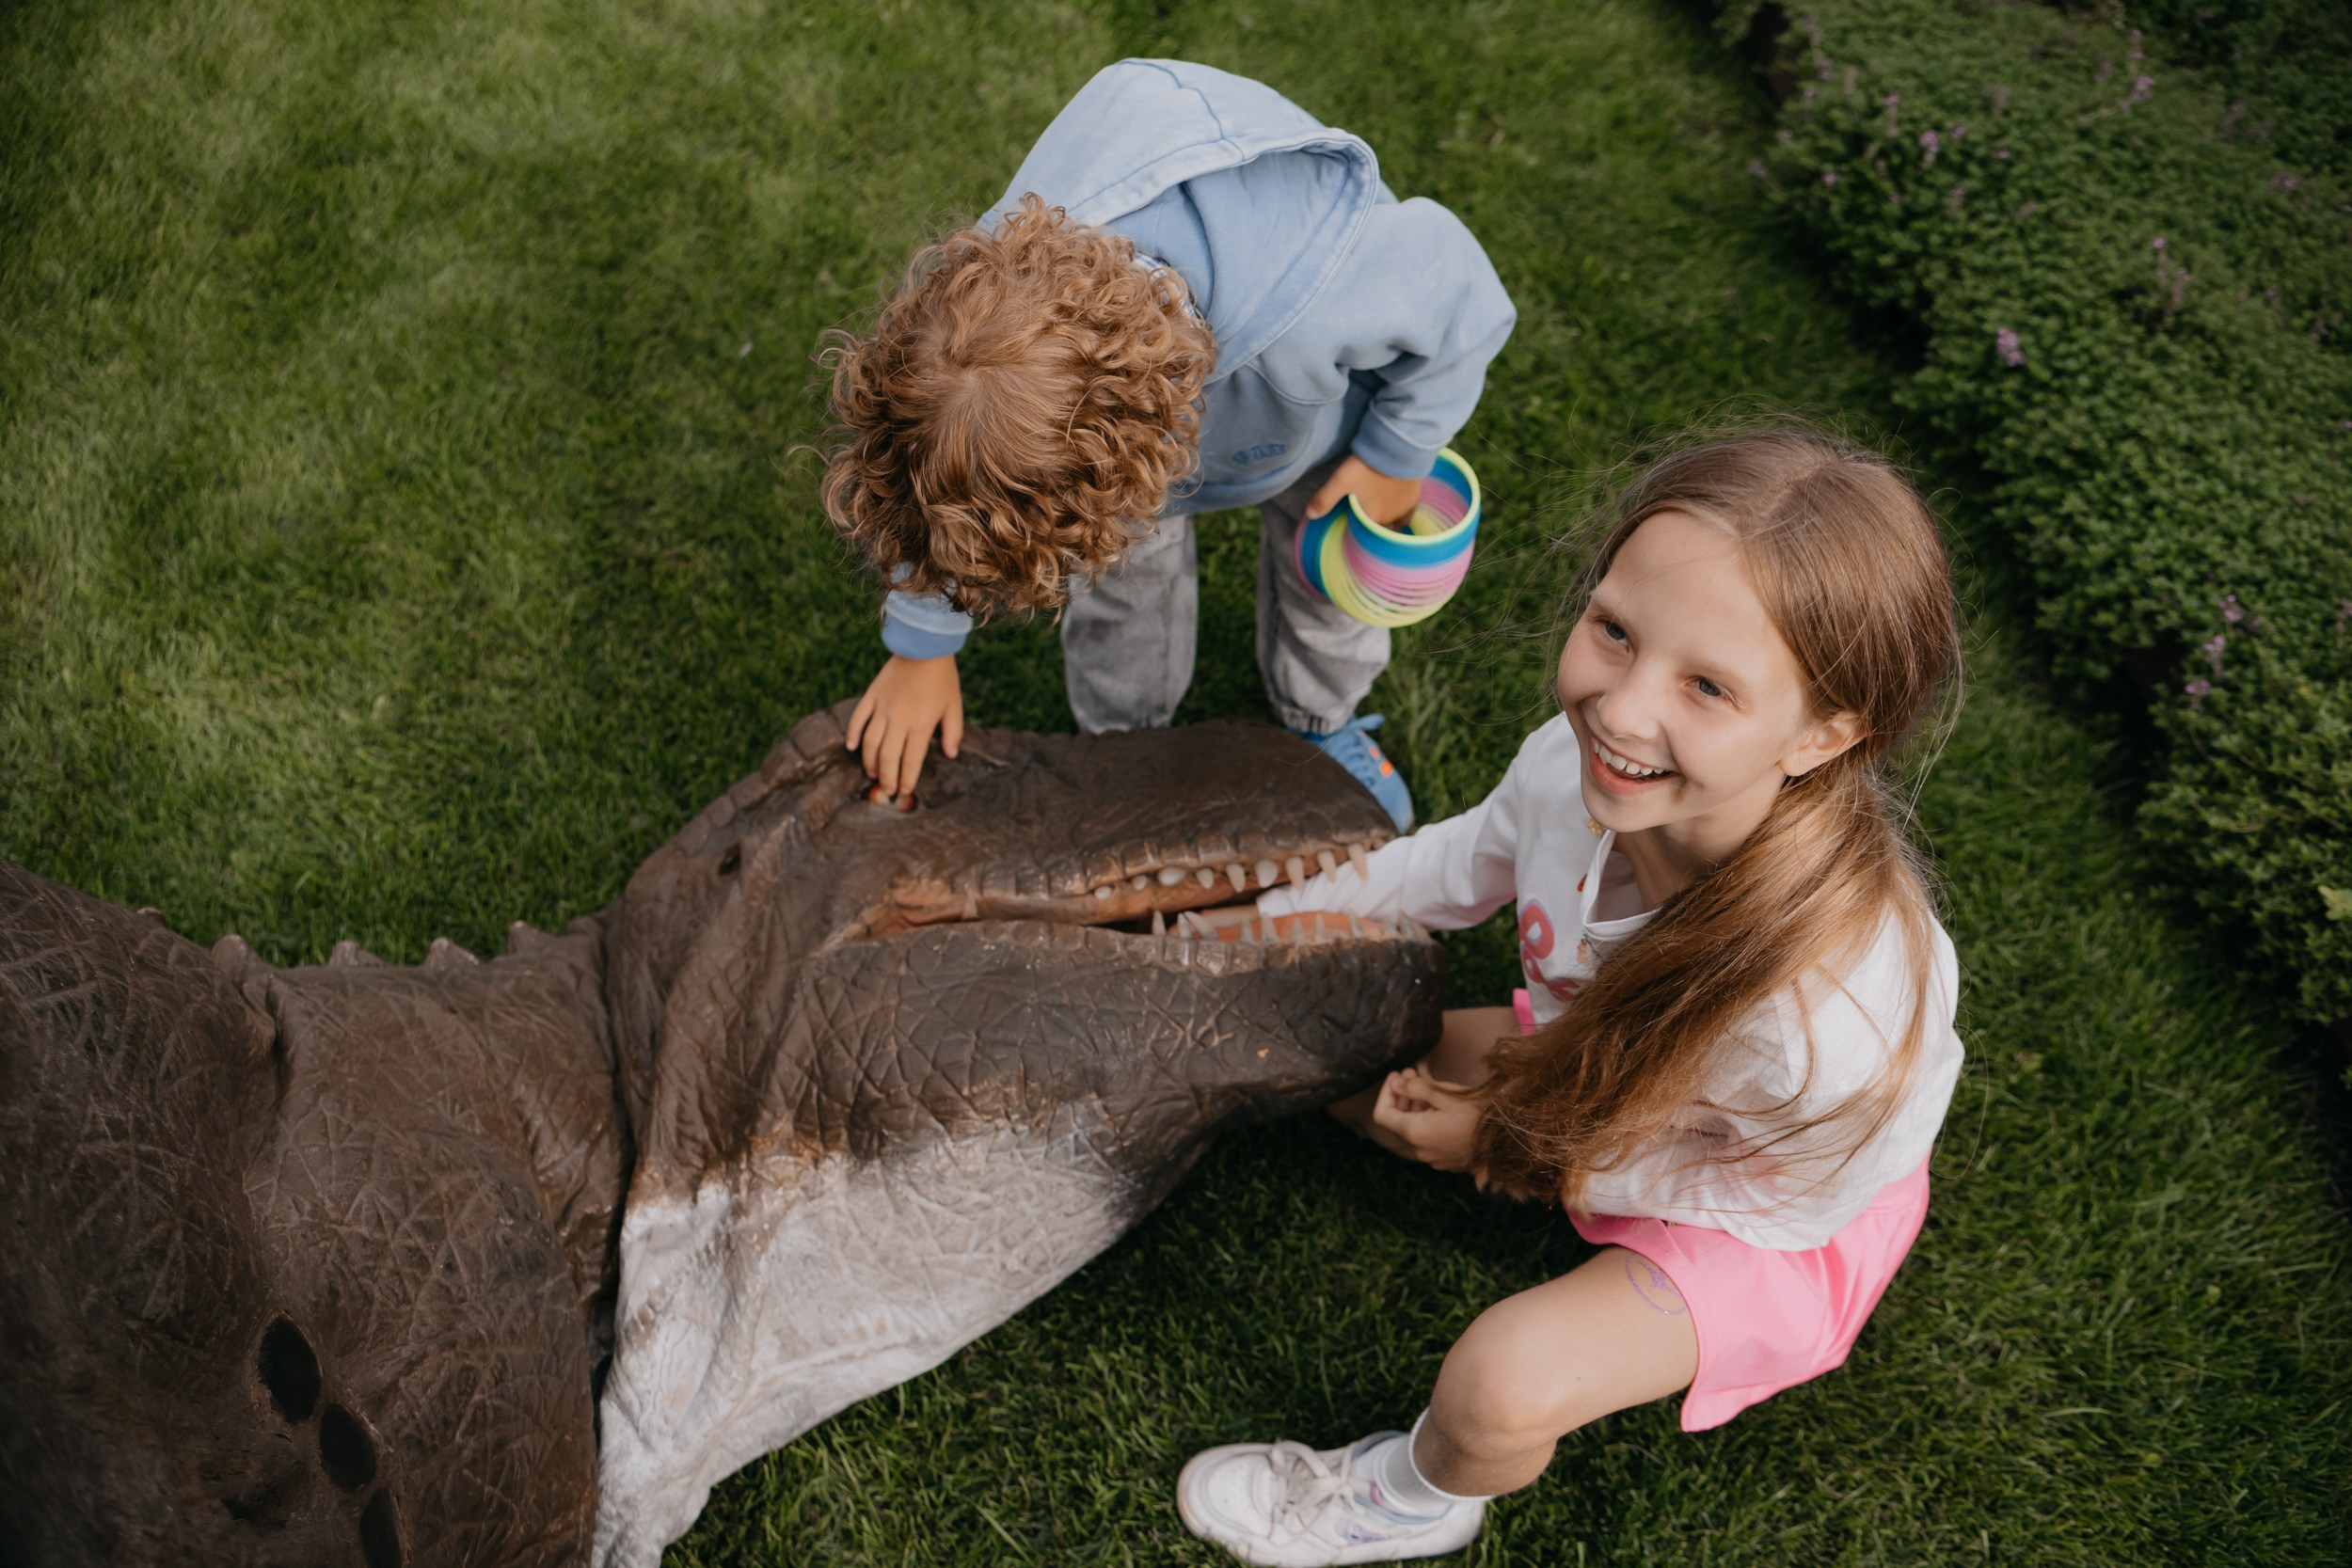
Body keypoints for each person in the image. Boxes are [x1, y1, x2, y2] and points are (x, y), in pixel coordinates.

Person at [1175, 428, 1967, 1565]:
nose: (1621, 709)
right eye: (1614, 631)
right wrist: (1253, 930)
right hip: (1595, 1075)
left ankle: (1409, 1499)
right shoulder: (1574, 764)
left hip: (1757, 1207)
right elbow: (1448, 867)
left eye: (1706, 685)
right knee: (1342, 1042)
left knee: (1500, 1381)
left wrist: (1518, 1143)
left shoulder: (1827, 1027)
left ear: (1825, 732)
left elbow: (1789, 1198)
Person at [820, 58, 1516, 831]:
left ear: (1136, 475)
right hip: (1120, 432)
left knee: (1328, 588)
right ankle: (1129, 752)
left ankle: (1320, 725)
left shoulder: (1327, 292)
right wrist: (923, 645)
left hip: (1315, 425)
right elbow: (936, 474)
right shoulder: (971, 313)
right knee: (1125, 600)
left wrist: (1392, 457)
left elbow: (1467, 301)